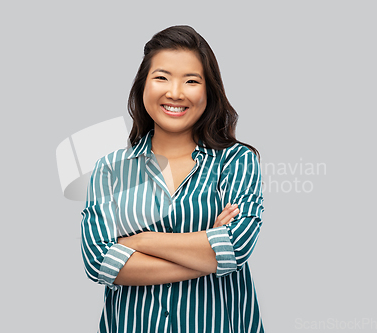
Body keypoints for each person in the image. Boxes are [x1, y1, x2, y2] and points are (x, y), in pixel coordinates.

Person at [81, 25, 265, 333]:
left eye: (191, 81)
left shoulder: (237, 161)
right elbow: (99, 261)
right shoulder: (110, 169)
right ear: (143, 86)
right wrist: (206, 251)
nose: (175, 93)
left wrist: (139, 242)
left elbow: (235, 246)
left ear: (209, 91)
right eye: (162, 77)